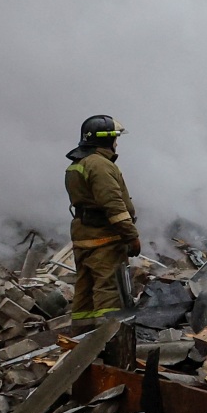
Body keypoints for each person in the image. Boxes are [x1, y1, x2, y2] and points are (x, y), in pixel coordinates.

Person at [65, 115, 141, 326]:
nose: (117, 143)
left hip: (84, 236)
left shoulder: (78, 163)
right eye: (115, 138)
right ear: (106, 140)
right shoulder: (100, 165)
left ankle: (81, 342)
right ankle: (109, 341)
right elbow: (113, 205)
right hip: (104, 238)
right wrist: (131, 236)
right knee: (109, 291)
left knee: (85, 293)